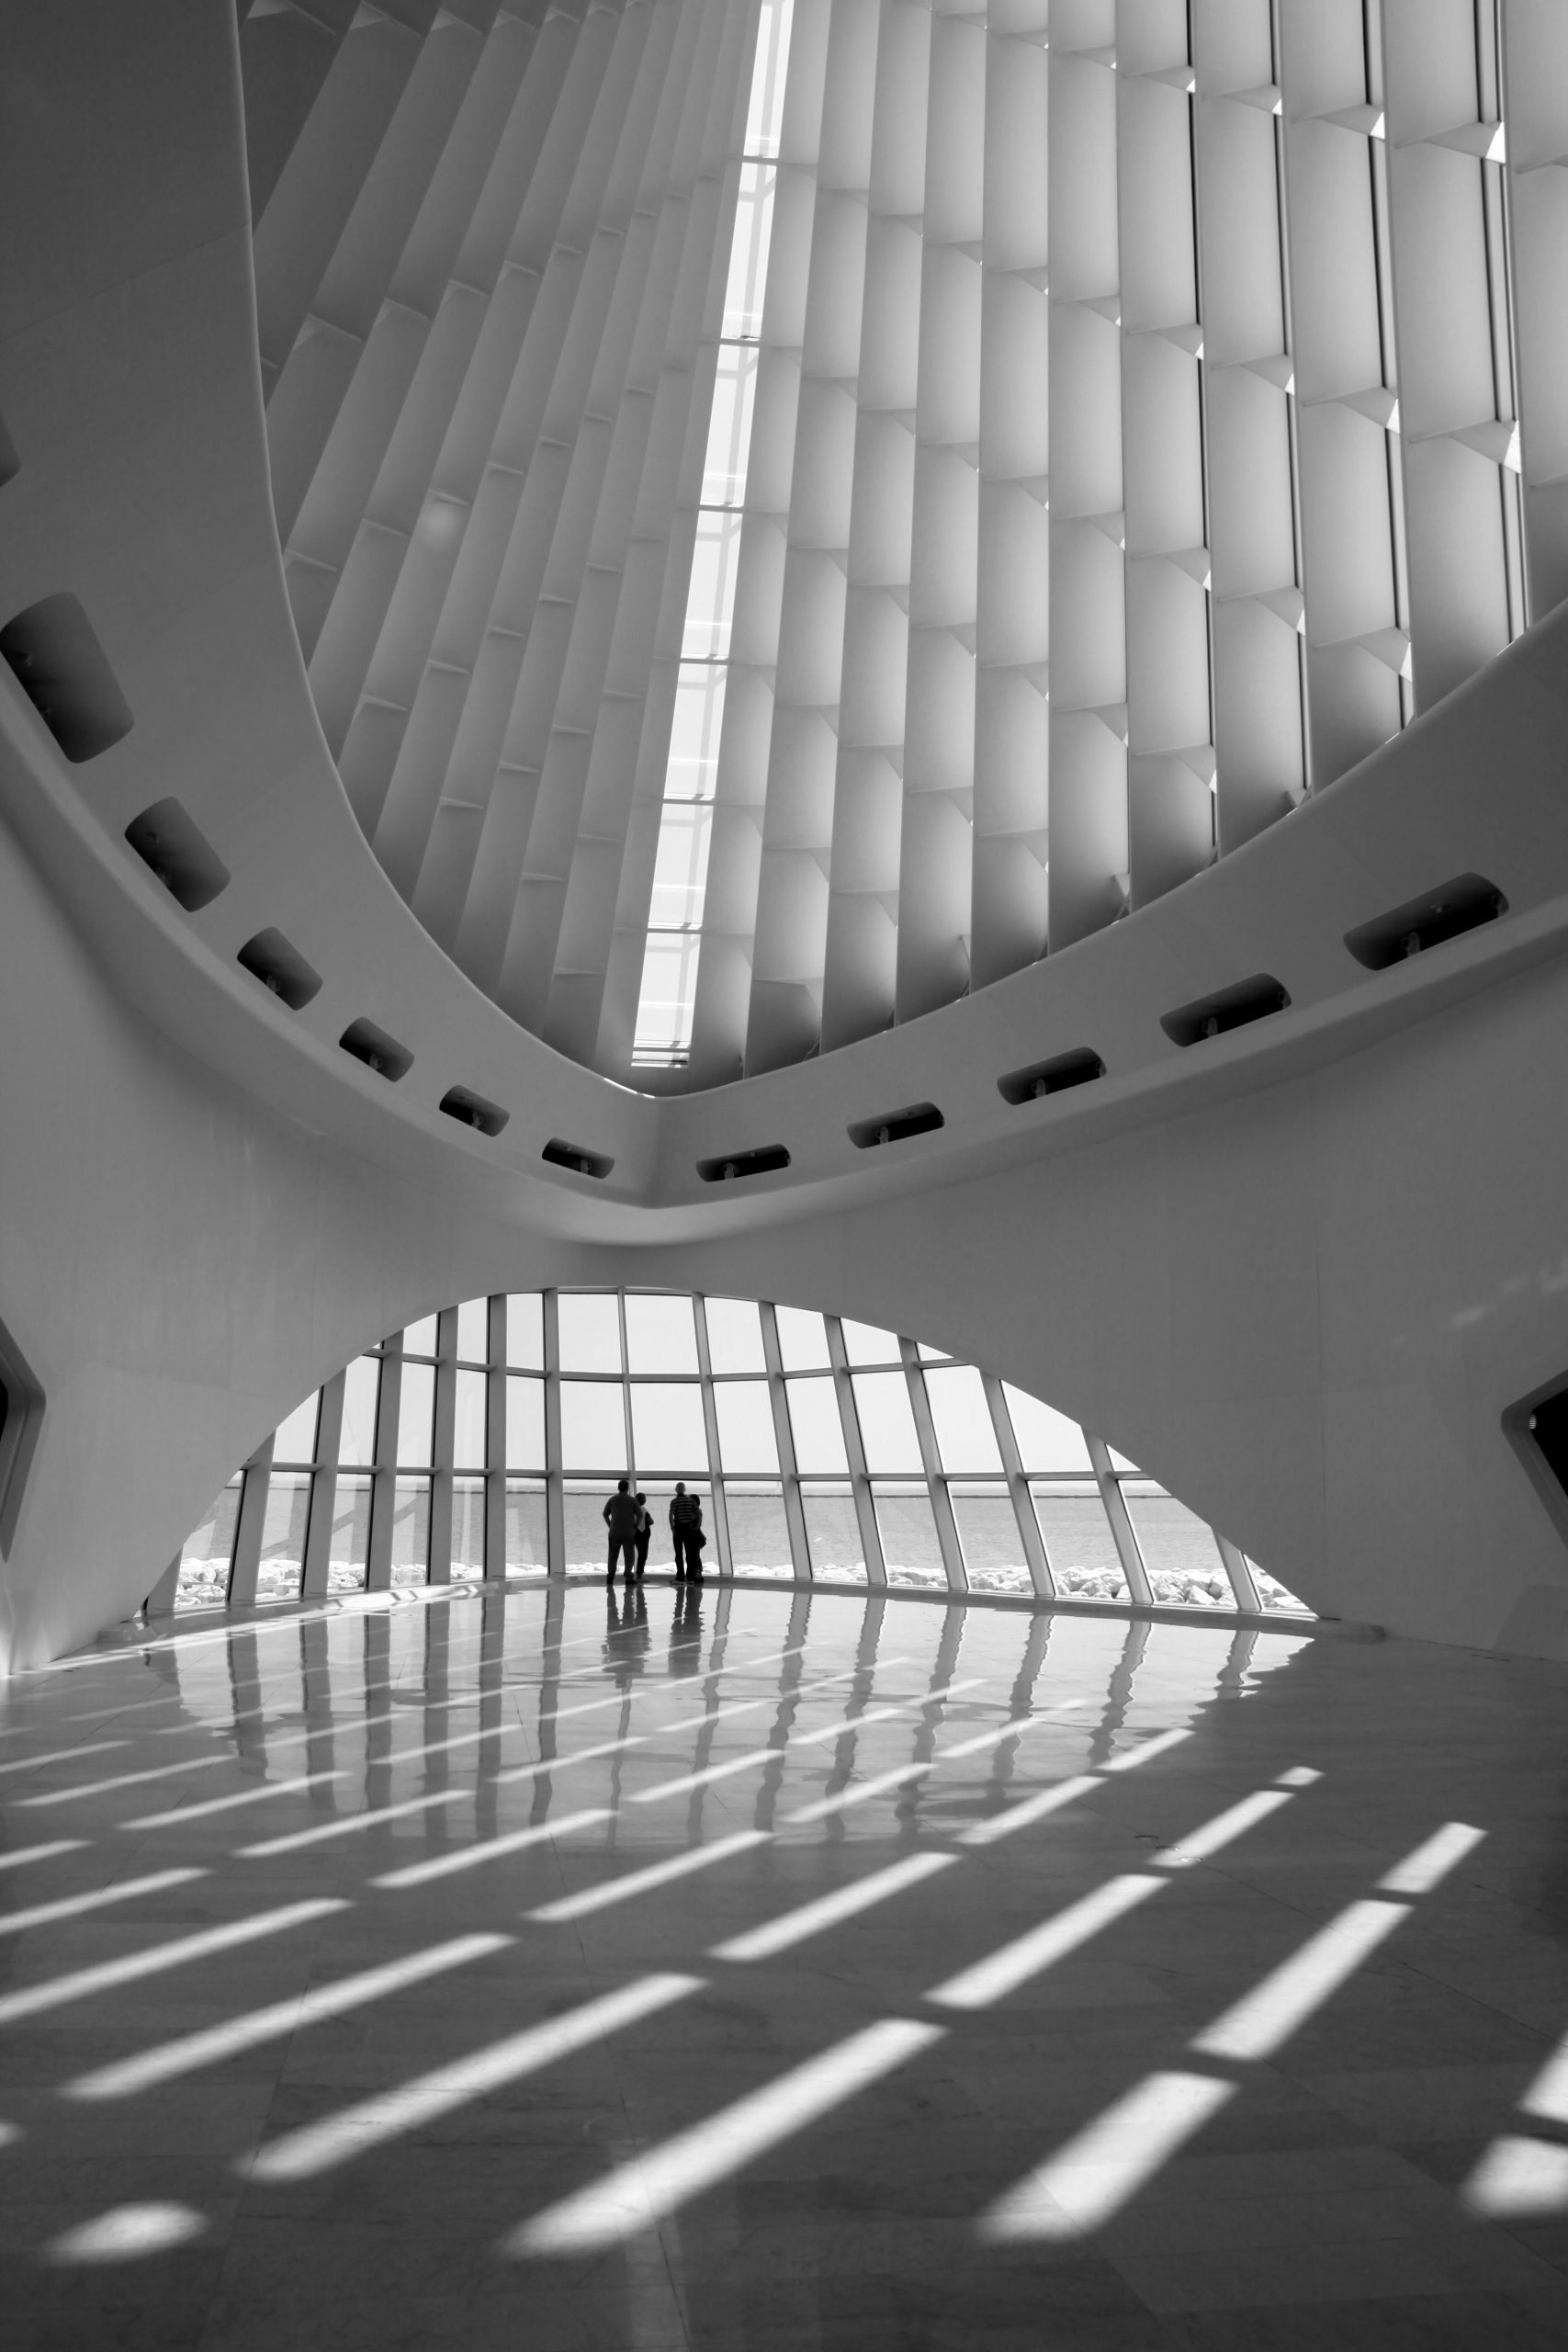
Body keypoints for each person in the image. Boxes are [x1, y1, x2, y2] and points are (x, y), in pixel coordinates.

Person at [603, 1477, 637, 1583]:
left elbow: (605, 1514)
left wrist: (610, 1525)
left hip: (614, 1532)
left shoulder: (612, 1499)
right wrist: (635, 1527)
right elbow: (640, 1515)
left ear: (618, 1488)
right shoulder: (632, 1500)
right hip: (629, 1533)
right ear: (627, 1488)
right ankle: (628, 1575)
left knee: (612, 1555)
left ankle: (610, 1576)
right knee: (629, 1556)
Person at [670, 1481, 704, 1582]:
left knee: (678, 1554)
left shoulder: (674, 1502)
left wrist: (672, 1528)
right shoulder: (691, 1501)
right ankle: (690, 1577)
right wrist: (697, 1527)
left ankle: (680, 1577)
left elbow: (671, 1516)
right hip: (688, 1529)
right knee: (689, 1554)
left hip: (678, 1529)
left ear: (676, 1490)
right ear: (685, 1490)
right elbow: (699, 1513)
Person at [632, 1489, 652, 1580]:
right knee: (643, 1555)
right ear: (644, 1500)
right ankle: (639, 1575)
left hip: (635, 1534)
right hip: (644, 1534)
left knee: (639, 1553)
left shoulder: (632, 1509)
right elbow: (651, 1521)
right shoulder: (644, 1509)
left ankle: (638, 1572)